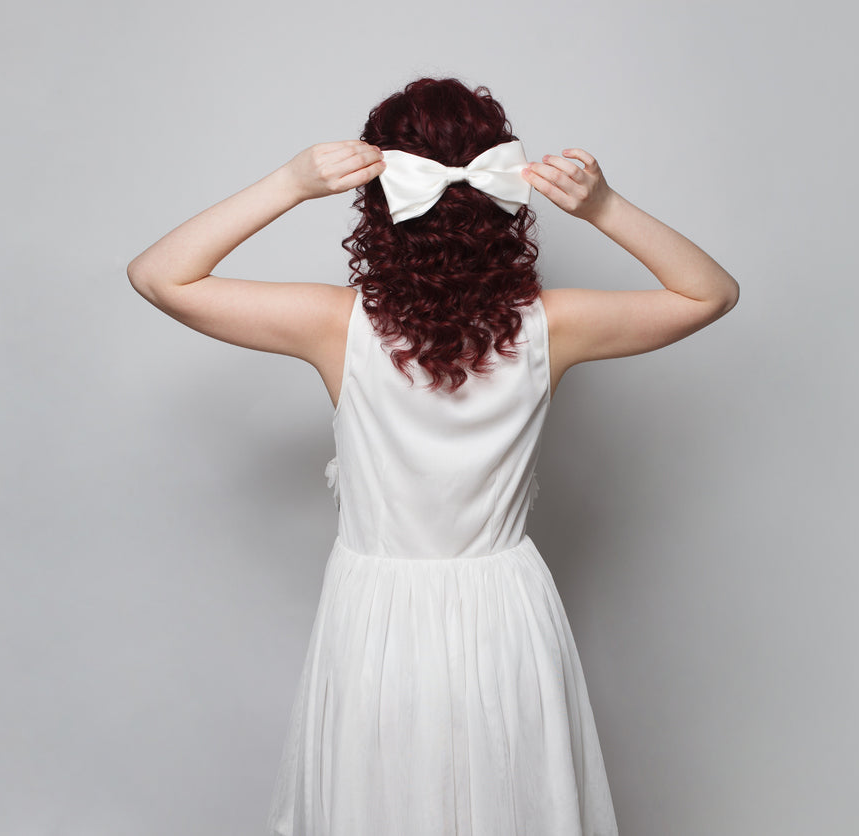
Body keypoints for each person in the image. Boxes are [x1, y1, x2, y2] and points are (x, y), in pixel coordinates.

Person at [127, 77, 738, 836]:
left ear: (378, 199)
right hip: (504, 609)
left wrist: (289, 183)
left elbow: (158, 275)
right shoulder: (559, 325)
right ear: (504, 193)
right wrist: (604, 207)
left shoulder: (330, 326)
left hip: (376, 617)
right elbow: (708, 294)